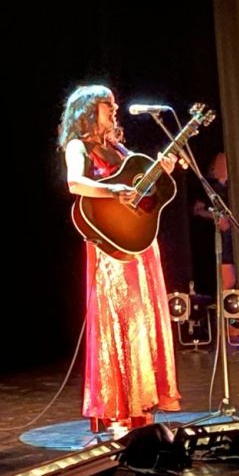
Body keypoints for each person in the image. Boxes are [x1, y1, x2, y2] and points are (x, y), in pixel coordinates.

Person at [58, 85, 182, 433]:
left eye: (113, 106)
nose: (114, 111)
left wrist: (164, 171)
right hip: (110, 246)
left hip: (138, 244)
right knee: (120, 323)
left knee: (142, 324)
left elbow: (140, 191)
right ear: (87, 111)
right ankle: (118, 407)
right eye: (106, 106)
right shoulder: (77, 146)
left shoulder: (118, 148)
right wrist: (111, 190)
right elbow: (75, 183)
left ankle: (142, 404)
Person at [192, 151, 236, 291]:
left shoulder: (235, 187)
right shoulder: (208, 188)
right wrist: (216, 217)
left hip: (234, 233)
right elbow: (197, 210)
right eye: (219, 162)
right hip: (222, 236)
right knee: (227, 273)